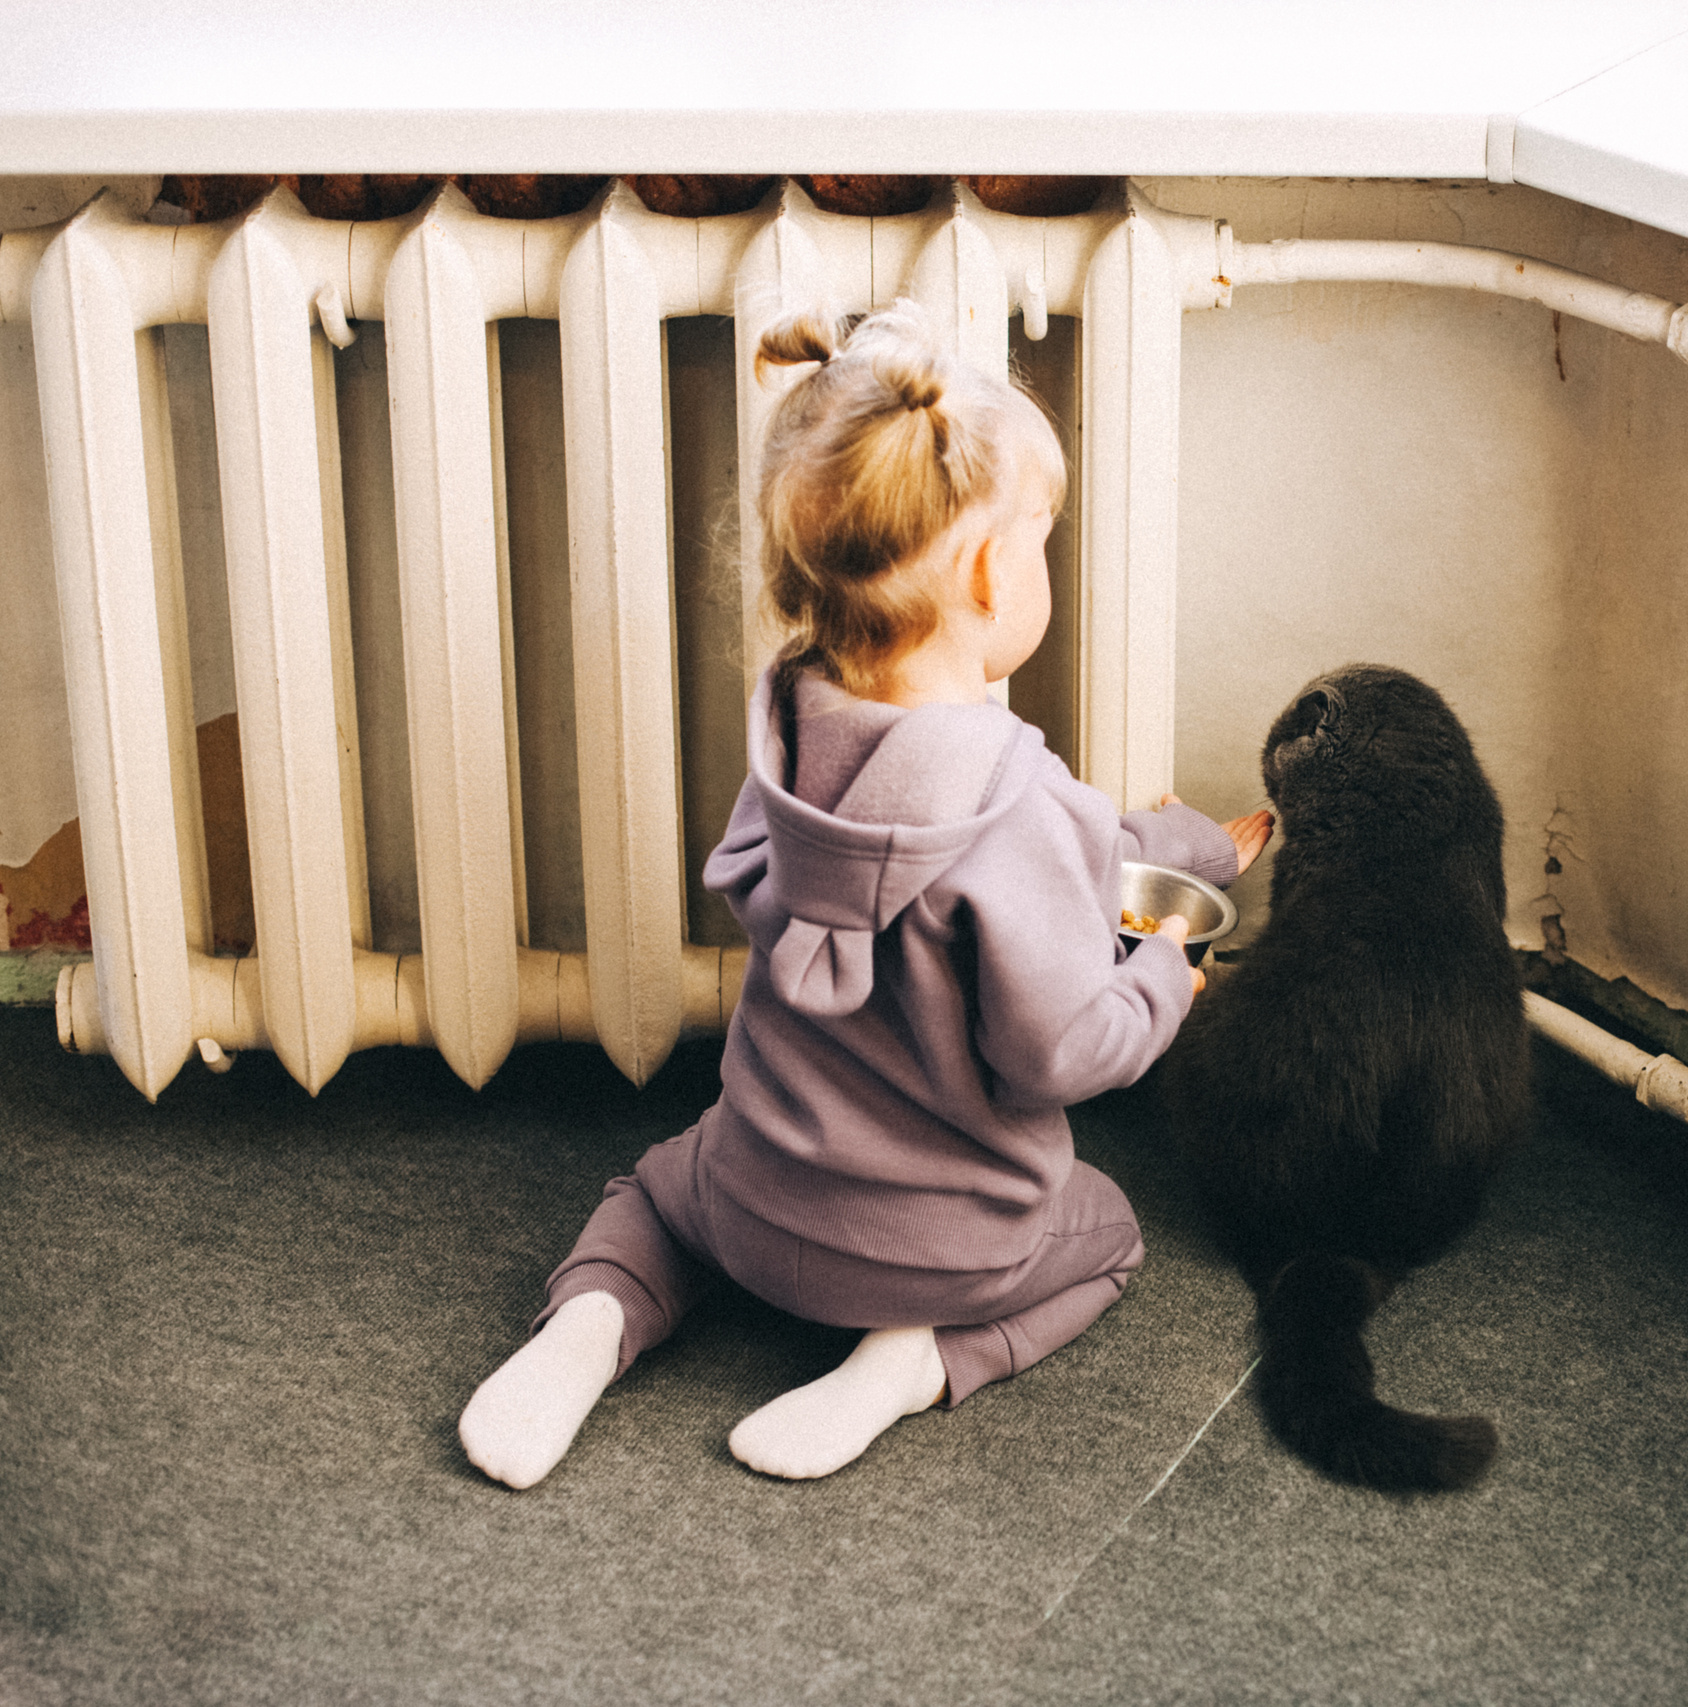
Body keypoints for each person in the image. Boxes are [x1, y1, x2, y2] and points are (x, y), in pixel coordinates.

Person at [457, 300, 1272, 1489]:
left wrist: (1183, 842)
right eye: (1039, 537)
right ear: (993, 570)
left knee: (655, 1189)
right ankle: (906, 1366)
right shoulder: (1024, 805)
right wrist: (1163, 978)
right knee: (1107, 1236)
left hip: (748, 1203)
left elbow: (1039, 845)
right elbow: (1062, 1052)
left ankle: (587, 1330)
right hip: (949, 1255)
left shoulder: (788, 737)